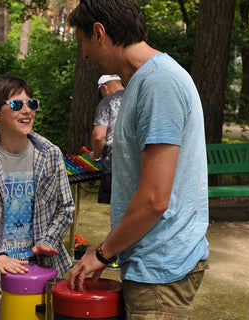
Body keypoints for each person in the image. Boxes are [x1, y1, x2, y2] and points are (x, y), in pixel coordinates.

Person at [68, 1, 210, 319]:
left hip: (160, 269)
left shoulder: (159, 83)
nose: (84, 55)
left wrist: (103, 253)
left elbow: (154, 200)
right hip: (150, 262)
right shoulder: (143, 81)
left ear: (99, 32)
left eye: (82, 43)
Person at [0, 75, 74, 319]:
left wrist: (49, 239)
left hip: (43, 275)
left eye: (32, 104)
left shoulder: (50, 154)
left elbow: (65, 208)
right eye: (17, 105)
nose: (27, 111)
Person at [92, 74, 124, 204]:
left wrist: (96, 155)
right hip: (138, 167)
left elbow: (99, 137)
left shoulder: (107, 102)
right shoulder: (137, 98)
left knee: (112, 213)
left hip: (113, 167)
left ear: (105, 88)